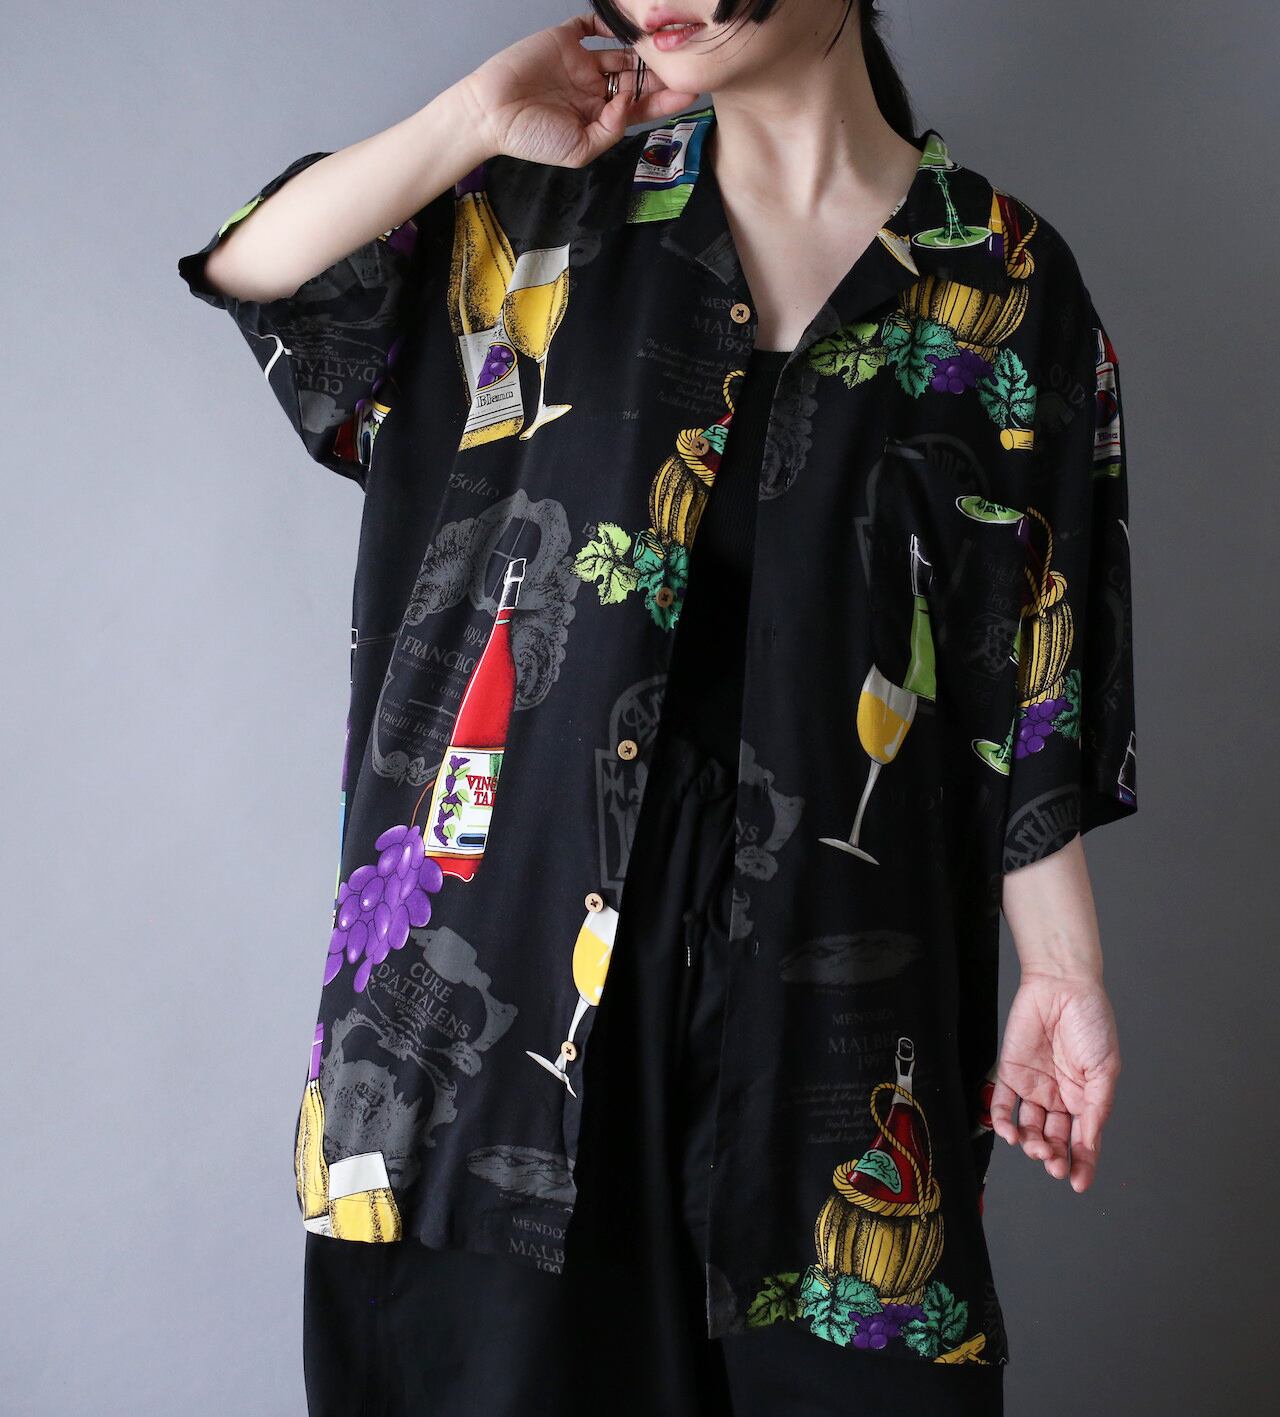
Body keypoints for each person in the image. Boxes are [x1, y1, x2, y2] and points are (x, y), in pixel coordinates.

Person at [176, 2, 1137, 1412]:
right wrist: (470, 117)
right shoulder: (538, 210)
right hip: (498, 997)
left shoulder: (1001, 283)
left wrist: (1063, 969)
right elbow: (260, 272)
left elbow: (1029, 681)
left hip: (834, 1000)